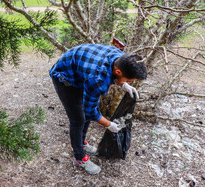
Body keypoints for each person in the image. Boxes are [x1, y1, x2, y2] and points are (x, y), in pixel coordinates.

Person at [49, 43, 147, 174]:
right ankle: (79, 157)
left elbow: (90, 106)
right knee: (78, 119)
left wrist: (124, 84)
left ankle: (82, 142)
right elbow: (90, 111)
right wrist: (108, 124)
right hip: (64, 76)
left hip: (80, 69)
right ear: (118, 71)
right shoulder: (97, 80)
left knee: (85, 111)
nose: (130, 82)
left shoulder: (120, 57)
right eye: (129, 80)